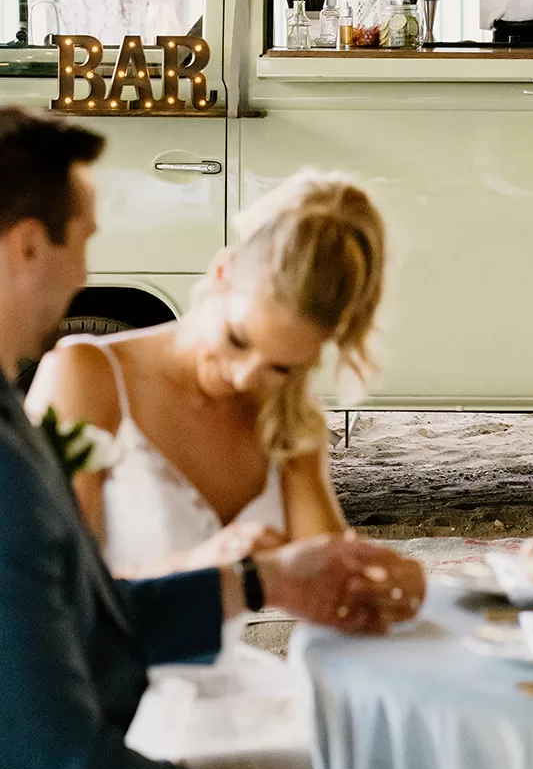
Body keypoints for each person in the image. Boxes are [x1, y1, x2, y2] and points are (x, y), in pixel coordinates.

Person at [0, 105, 423, 769]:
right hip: (131, 717)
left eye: (281, 365)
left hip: (206, 686)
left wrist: (267, 579)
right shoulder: (21, 440)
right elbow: (59, 754)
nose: (84, 277)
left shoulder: (1, 412)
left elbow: (83, 625)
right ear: (29, 248)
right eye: (85, 242)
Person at [28, 169, 385, 580]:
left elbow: (331, 583)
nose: (245, 378)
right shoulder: (86, 376)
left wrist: (377, 583)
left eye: (282, 367)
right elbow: (47, 593)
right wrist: (208, 576)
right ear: (221, 273)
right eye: (237, 339)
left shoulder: (290, 419)